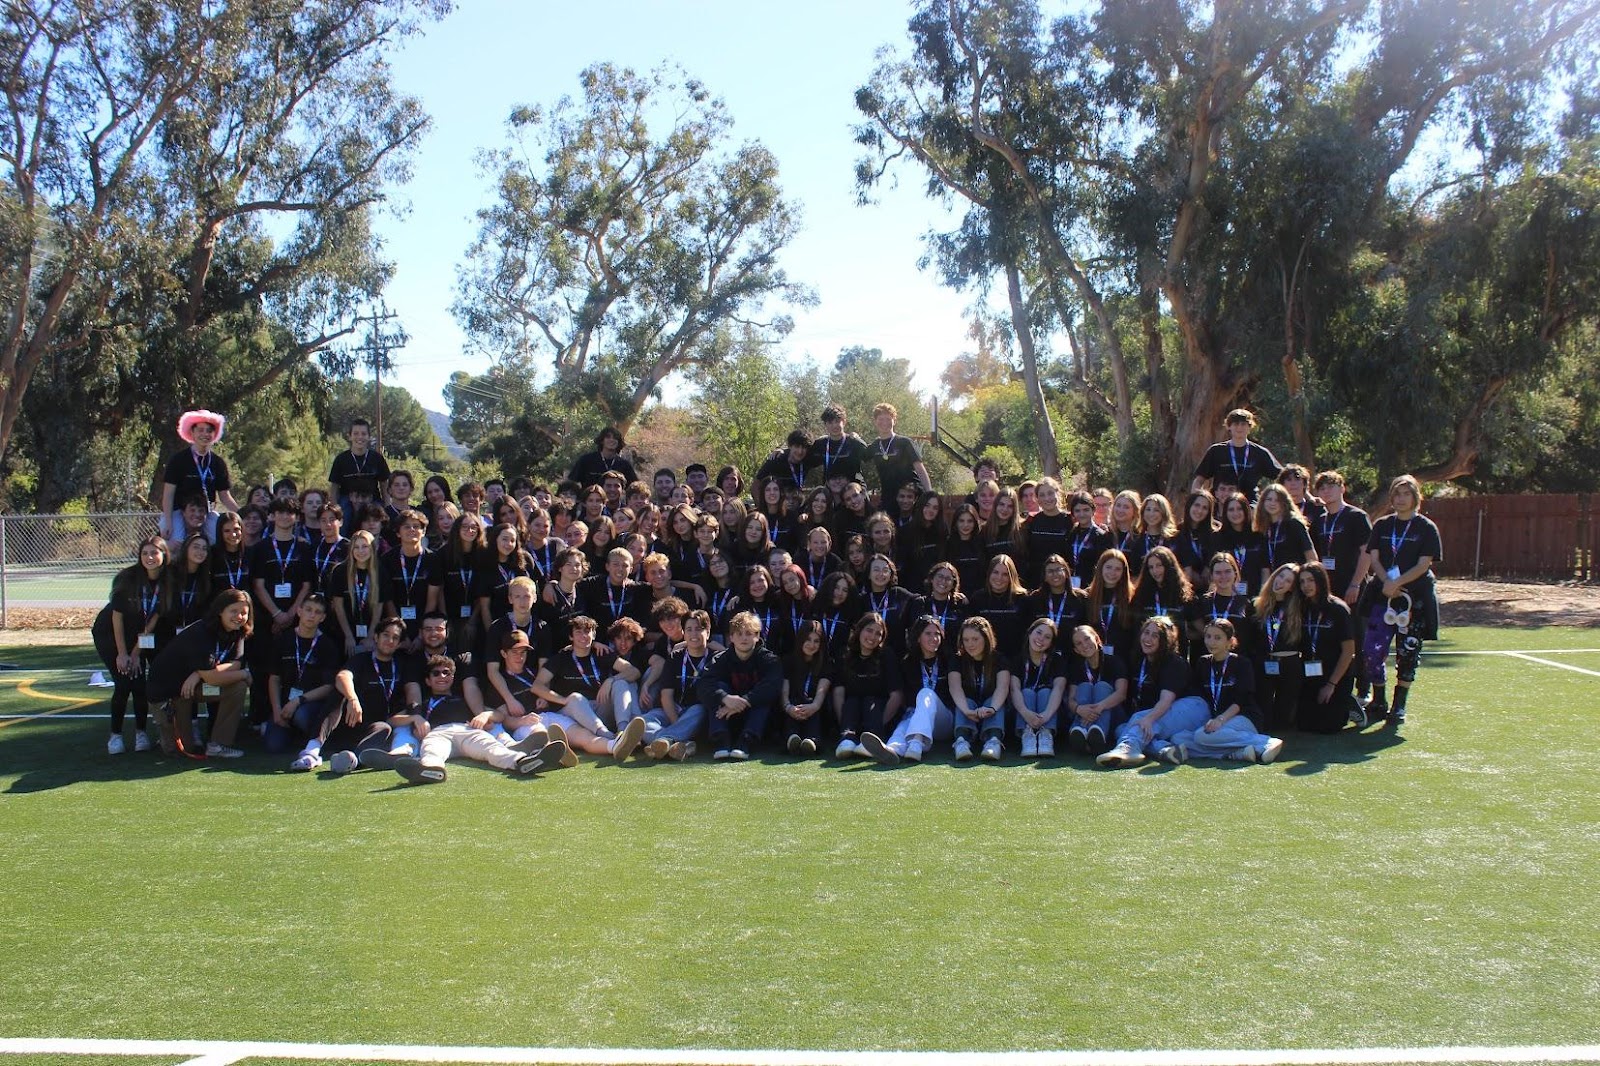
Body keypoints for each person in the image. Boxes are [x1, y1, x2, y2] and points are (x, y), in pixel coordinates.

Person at [368, 653, 568, 784]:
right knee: (432, 751)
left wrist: (485, 714)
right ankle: (432, 771)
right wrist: (415, 719)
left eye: (446, 673)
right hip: (439, 733)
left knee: (492, 749)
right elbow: (394, 720)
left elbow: (498, 715)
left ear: (453, 678)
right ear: (428, 680)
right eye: (436, 673)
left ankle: (523, 762)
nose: (442, 677)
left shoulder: (465, 699)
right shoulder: (424, 702)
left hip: (468, 730)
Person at [1360, 474, 1442, 725]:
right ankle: (1379, 700)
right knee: (1372, 650)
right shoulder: (1383, 525)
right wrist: (1387, 582)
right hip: (1382, 595)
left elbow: (1423, 564)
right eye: (1397, 494)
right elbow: (1373, 558)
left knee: (1408, 652)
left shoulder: (1426, 528)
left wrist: (1398, 583)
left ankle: (1399, 705)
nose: (1401, 499)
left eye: (1407, 494)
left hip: (1413, 599)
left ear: (1416, 497)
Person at [145, 588, 253, 759]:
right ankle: (167, 729)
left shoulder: (238, 631)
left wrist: (198, 674)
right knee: (179, 750)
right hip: (170, 693)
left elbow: (236, 663)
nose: (239, 616)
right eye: (234, 611)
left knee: (237, 687)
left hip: (197, 687)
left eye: (244, 612)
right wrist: (245, 675)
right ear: (220, 611)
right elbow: (214, 677)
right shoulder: (201, 632)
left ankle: (218, 745)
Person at [523, 615, 646, 760]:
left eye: (587, 631)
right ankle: (609, 737)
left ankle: (623, 732)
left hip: (599, 707)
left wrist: (611, 680)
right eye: (578, 632)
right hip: (574, 713)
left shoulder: (601, 653)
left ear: (593, 635)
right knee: (576, 698)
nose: (583, 636)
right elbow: (537, 686)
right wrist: (564, 700)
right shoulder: (560, 658)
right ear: (571, 636)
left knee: (621, 683)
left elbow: (634, 671)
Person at [93, 537, 170, 753]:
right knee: (123, 682)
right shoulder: (128, 578)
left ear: (164, 555)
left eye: (154, 553)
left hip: (141, 636)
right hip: (111, 635)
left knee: (138, 685)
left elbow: (152, 622)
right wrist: (122, 654)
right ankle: (115, 736)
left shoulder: (167, 582)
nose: (149, 557)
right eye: (145, 553)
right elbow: (116, 619)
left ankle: (140, 733)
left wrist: (136, 653)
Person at [1169, 618, 1284, 763]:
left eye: (1218, 638)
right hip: (1217, 723)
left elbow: (1241, 700)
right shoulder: (1202, 662)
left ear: (1230, 641)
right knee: (1178, 738)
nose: (1211, 642)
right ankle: (1235, 753)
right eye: (1208, 637)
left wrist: (1221, 719)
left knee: (1201, 737)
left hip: (1243, 718)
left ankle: (1264, 742)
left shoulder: (1242, 663)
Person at [1096, 616, 1203, 769]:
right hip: (1168, 714)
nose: (1148, 638)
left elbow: (1166, 701)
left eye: (1155, 635)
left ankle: (1126, 749)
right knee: (1121, 728)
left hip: (1193, 707)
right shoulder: (1139, 660)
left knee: (1139, 719)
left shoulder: (1174, 662)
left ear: (1165, 640)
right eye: (1146, 633)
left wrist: (1148, 719)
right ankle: (1165, 750)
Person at [324, 616, 414, 772]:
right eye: (386, 635)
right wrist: (353, 699)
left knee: (384, 728)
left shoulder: (403, 664)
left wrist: (415, 713)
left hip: (379, 727)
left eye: (395, 638)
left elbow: (412, 692)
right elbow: (342, 677)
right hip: (353, 723)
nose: (390, 640)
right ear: (376, 637)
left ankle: (353, 760)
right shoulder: (361, 660)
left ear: (399, 644)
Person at [697, 610, 783, 760]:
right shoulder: (719, 659)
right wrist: (725, 698)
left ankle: (745, 743)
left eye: (749, 633)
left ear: (757, 636)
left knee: (763, 697)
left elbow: (772, 687)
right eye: (739, 633)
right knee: (719, 688)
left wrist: (745, 701)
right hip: (727, 715)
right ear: (731, 637)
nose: (744, 638)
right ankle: (721, 741)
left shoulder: (769, 659)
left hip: (759, 721)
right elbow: (704, 685)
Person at [269, 594, 344, 766]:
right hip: (284, 703)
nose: (312, 615)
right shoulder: (284, 639)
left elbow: (329, 687)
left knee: (302, 716)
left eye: (317, 612)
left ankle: (313, 738)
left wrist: (298, 701)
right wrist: (276, 709)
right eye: (308, 610)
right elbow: (274, 678)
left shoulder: (328, 645)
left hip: (309, 703)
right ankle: (290, 732)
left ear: (323, 617)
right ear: (299, 611)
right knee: (273, 745)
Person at [1295, 562, 1359, 733]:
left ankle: (1349, 704)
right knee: (1304, 726)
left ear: (1321, 581)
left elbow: (1348, 651)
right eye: (1302, 582)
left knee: (1329, 728)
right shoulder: (1302, 607)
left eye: (1310, 580)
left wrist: (1331, 684)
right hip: (1311, 673)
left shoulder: (1338, 609)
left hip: (1335, 674)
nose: (1306, 586)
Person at [829, 612, 901, 760]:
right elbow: (838, 692)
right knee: (852, 701)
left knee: (870, 701)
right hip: (850, 714)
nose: (872, 637)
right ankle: (846, 741)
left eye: (878, 634)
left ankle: (872, 741)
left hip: (878, 714)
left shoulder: (886, 655)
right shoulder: (845, 654)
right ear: (859, 630)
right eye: (869, 630)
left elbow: (896, 695)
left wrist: (881, 723)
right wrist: (843, 722)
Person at [160, 409, 240, 540]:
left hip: (205, 513)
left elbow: (225, 496)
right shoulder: (178, 460)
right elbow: (168, 495)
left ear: (214, 434)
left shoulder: (218, 463)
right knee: (176, 541)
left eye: (209, 430)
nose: (205, 434)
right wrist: (168, 521)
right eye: (200, 430)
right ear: (192, 432)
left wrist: (243, 514)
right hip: (178, 512)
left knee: (217, 540)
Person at [948, 616, 1011, 761]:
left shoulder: (999, 659)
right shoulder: (957, 659)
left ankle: (993, 741)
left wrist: (993, 708)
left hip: (992, 709)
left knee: (994, 702)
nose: (970, 644)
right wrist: (966, 711)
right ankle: (961, 741)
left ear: (986, 638)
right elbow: (955, 687)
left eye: (975, 639)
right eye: (966, 640)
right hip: (968, 710)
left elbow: (1002, 688)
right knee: (965, 701)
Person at [1191, 408, 1283, 503]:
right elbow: (1199, 480)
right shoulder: (1216, 451)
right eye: (1235, 424)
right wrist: (1197, 500)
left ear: (1250, 427)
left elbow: (1282, 477)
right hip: (1220, 504)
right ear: (1229, 427)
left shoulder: (1260, 453)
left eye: (1243, 424)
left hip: (1250, 505)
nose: (1239, 428)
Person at [1010, 617, 1067, 758]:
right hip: (1023, 711)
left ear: (1051, 643)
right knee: (1027, 692)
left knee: (1046, 691)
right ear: (1030, 633)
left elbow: (1059, 688)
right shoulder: (1017, 660)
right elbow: (1014, 689)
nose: (1041, 639)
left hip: (1048, 712)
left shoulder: (1057, 661)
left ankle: (1046, 735)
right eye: (1038, 633)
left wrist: (1046, 714)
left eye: (1047, 637)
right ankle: (1027, 735)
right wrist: (1025, 712)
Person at [1064, 624, 1126, 753]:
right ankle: (1080, 733)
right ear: (1076, 650)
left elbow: (1121, 693)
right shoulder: (1077, 667)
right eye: (1079, 643)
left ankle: (1098, 733)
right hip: (1084, 713)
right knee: (1085, 687)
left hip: (1111, 713)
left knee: (1101, 686)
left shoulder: (1114, 662)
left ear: (1097, 639)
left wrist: (1099, 707)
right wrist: (1078, 708)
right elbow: (1071, 700)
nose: (1085, 645)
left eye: (1087, 639)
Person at [866, 403, 932, 516]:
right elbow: (860, 456)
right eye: (881, 419)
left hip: (910, 496)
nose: (884, 422)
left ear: (894, 421)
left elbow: (920, 468)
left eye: (888, 418)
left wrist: (929, 494)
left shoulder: (904, 442)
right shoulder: (874, 446)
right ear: (875, 422)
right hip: (889, 497)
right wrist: (854, 437)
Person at [780, 618, 832, 757]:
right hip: (792, 706)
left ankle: (812, 741)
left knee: (810, 703)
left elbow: (822, 690)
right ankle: (792, 739)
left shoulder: (825, 663)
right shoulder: (788, 660)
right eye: (808, 639)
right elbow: (784, 690)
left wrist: (814, 706)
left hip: (815, 707)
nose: (811, 645)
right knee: (794, 703)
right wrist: (788, 707)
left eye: (816, 641)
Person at [805, 404, 866, 487]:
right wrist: (783, 452)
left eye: (837, 421)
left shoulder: (853, 442)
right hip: (831, 491)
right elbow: (802, 458)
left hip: (852, 493)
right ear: (825, 424)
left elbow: (868, 455)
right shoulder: (820, 443)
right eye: (830, 422)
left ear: (844, 422)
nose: (834, 426)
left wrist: (859, 439)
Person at [568, 426, 638, 489]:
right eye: (608, 437)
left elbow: (635, 487)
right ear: (602, 440)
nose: (612, 440)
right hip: (590, 502)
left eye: (615, 438)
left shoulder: (624, 465)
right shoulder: (586, 460)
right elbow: (571, 483)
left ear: (619, 442)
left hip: (615, 502)